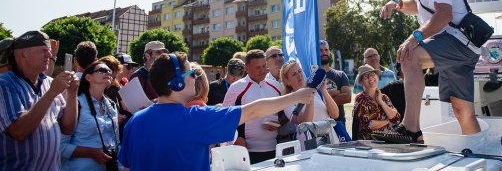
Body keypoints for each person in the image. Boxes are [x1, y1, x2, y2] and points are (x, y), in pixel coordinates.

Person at [117, 52, 315, 171]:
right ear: (177, 83)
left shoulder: (135, 121)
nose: (196, 77)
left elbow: (126, 167)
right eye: (192, 73)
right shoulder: (196, 118)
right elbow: (253, 111)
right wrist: (297, 96)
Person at [375, 0, 481, 143]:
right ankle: (478, 146)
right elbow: (416, 6)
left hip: (458, 41)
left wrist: (415, 38)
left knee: (409, 56)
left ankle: (411, 129)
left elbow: (444, 15)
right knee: (462, 110)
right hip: (459, 48)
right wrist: (396, 3)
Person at [0, 30, 79, 170]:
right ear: (22, 54)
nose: (50, 55)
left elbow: (67, 128)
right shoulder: (5, 84)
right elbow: (19, 131)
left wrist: (72, 93)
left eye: (49, 50)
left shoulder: (49, 82)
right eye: (43, 51)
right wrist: (52, 93)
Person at [222, 50, 283, 164]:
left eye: (264, 66)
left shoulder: (276, 86)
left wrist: (278, 122)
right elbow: (224, 117)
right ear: (247, 69)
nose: (262, 71)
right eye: (257, 67)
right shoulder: (236, 88)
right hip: (246, 150)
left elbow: (286, 113)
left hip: (274, 149)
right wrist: (236, 138)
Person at [60, 62, 120, 171]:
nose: (108, 73)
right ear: (88, 77)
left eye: (110, 72)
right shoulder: (77, 104)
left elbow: (116, 142)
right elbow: (61, 147)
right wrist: (91, 153)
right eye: (102, 70)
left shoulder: (111, 105)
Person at [281, 60, 339, 150]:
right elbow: (306, 121)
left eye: (300, 71)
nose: (299, 76)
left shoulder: (316, 92)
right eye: (294, 74)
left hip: (331, 143)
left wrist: (324, 90)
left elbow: (335, 114)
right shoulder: (287, 101)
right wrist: (310, 92)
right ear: (287, 81)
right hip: (310, 147)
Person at [352, 65, 401, 140]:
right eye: (366, 77)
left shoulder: (384, 97)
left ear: (377, 77)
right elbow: (367, 125)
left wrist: (381, 102)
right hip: (368, 144)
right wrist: (388, 120)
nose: (370, 78)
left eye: (372, 74)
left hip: (386, 141)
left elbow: (396, 119)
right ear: (361, 82)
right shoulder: (361, 98)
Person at [99, 55, 133, 139]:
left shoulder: (115, 87)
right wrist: (114, 119)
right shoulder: (94, 91)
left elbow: (125, 106)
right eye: (111, 77)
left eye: (114, 77)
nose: (112, 80)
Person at [319, 40, 351, 124]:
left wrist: (324, 102)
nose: (324, 53)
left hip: (338, 123)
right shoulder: (312, 76)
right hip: (319, 124)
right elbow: (315, 98)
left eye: (326, 50)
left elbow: (347, 97)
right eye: (320, 50)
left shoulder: (340, 75)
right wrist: (337, 92)